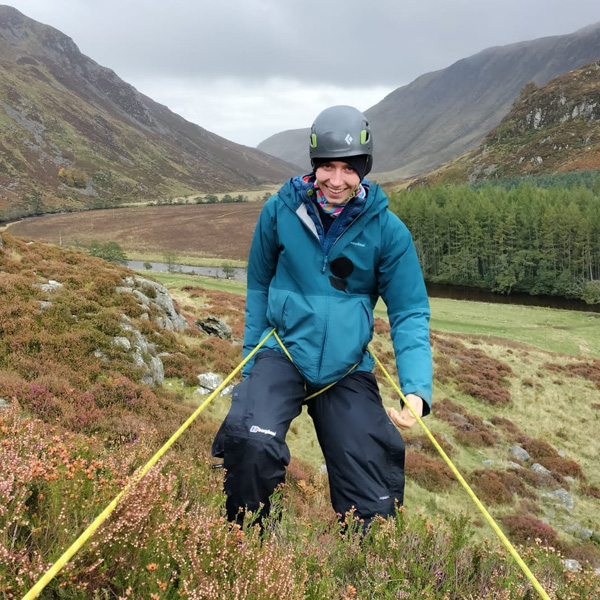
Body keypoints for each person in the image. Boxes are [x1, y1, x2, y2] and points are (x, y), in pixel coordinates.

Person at [212, 105, 432, 528]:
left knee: (372, 490)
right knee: (250, 445)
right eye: (327, 166)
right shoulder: (279, 212)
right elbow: (259, 288)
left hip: (346, 368)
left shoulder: (389, 231)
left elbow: (408, 312)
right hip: (283, 354)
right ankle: (244, 547)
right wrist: (251, 363)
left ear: (363, 169)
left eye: (348, 169)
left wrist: (416, 388)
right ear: (314, 166)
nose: (335, 179)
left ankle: (361, 571)